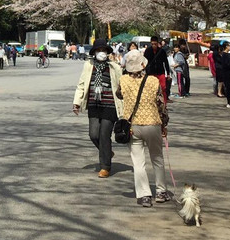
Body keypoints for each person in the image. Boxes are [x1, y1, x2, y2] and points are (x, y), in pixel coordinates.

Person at [116, 49, 170, 207]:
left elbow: (119, 95)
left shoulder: (123, 80)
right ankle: (161, 191)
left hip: (133, 126)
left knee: (138, 162)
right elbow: (161, 105)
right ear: (142, 65)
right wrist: (164, 124)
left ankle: (144, 195)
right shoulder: (153, 81)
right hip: (152, 124)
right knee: (157, 159)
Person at [72, 41, 125, 178]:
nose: (101, 52)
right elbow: (82, 84)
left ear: (107, 52)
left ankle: (105, 166)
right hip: (94, 105)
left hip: (110, 105)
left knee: (104, 135)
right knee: (93, 134)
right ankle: (107, 151)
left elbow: (122, 85)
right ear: (94, 52)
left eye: (103, 50)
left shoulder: (114, 67)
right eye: (98, 50)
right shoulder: (88, 65)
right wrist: (77, 102)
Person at [145, 35, 172, 103]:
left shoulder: (162, 51)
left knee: (163, 87)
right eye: (152, 44)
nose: (154, 45)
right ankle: (152, 102)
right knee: (151, 88)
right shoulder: (148, 51)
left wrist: (168, 73)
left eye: (155, 44)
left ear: (158, 43)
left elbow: (166, 63)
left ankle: (164, 103)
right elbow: (144, 62)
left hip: (160, 72)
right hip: (151, 73)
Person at [216, 42, 230, 108]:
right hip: (227, 74)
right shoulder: (225, 55)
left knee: (229, 89)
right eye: (229, 46)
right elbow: (225, 65)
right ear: (226, 46)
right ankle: (229, 103)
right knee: (228, 88)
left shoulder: (228, 54)